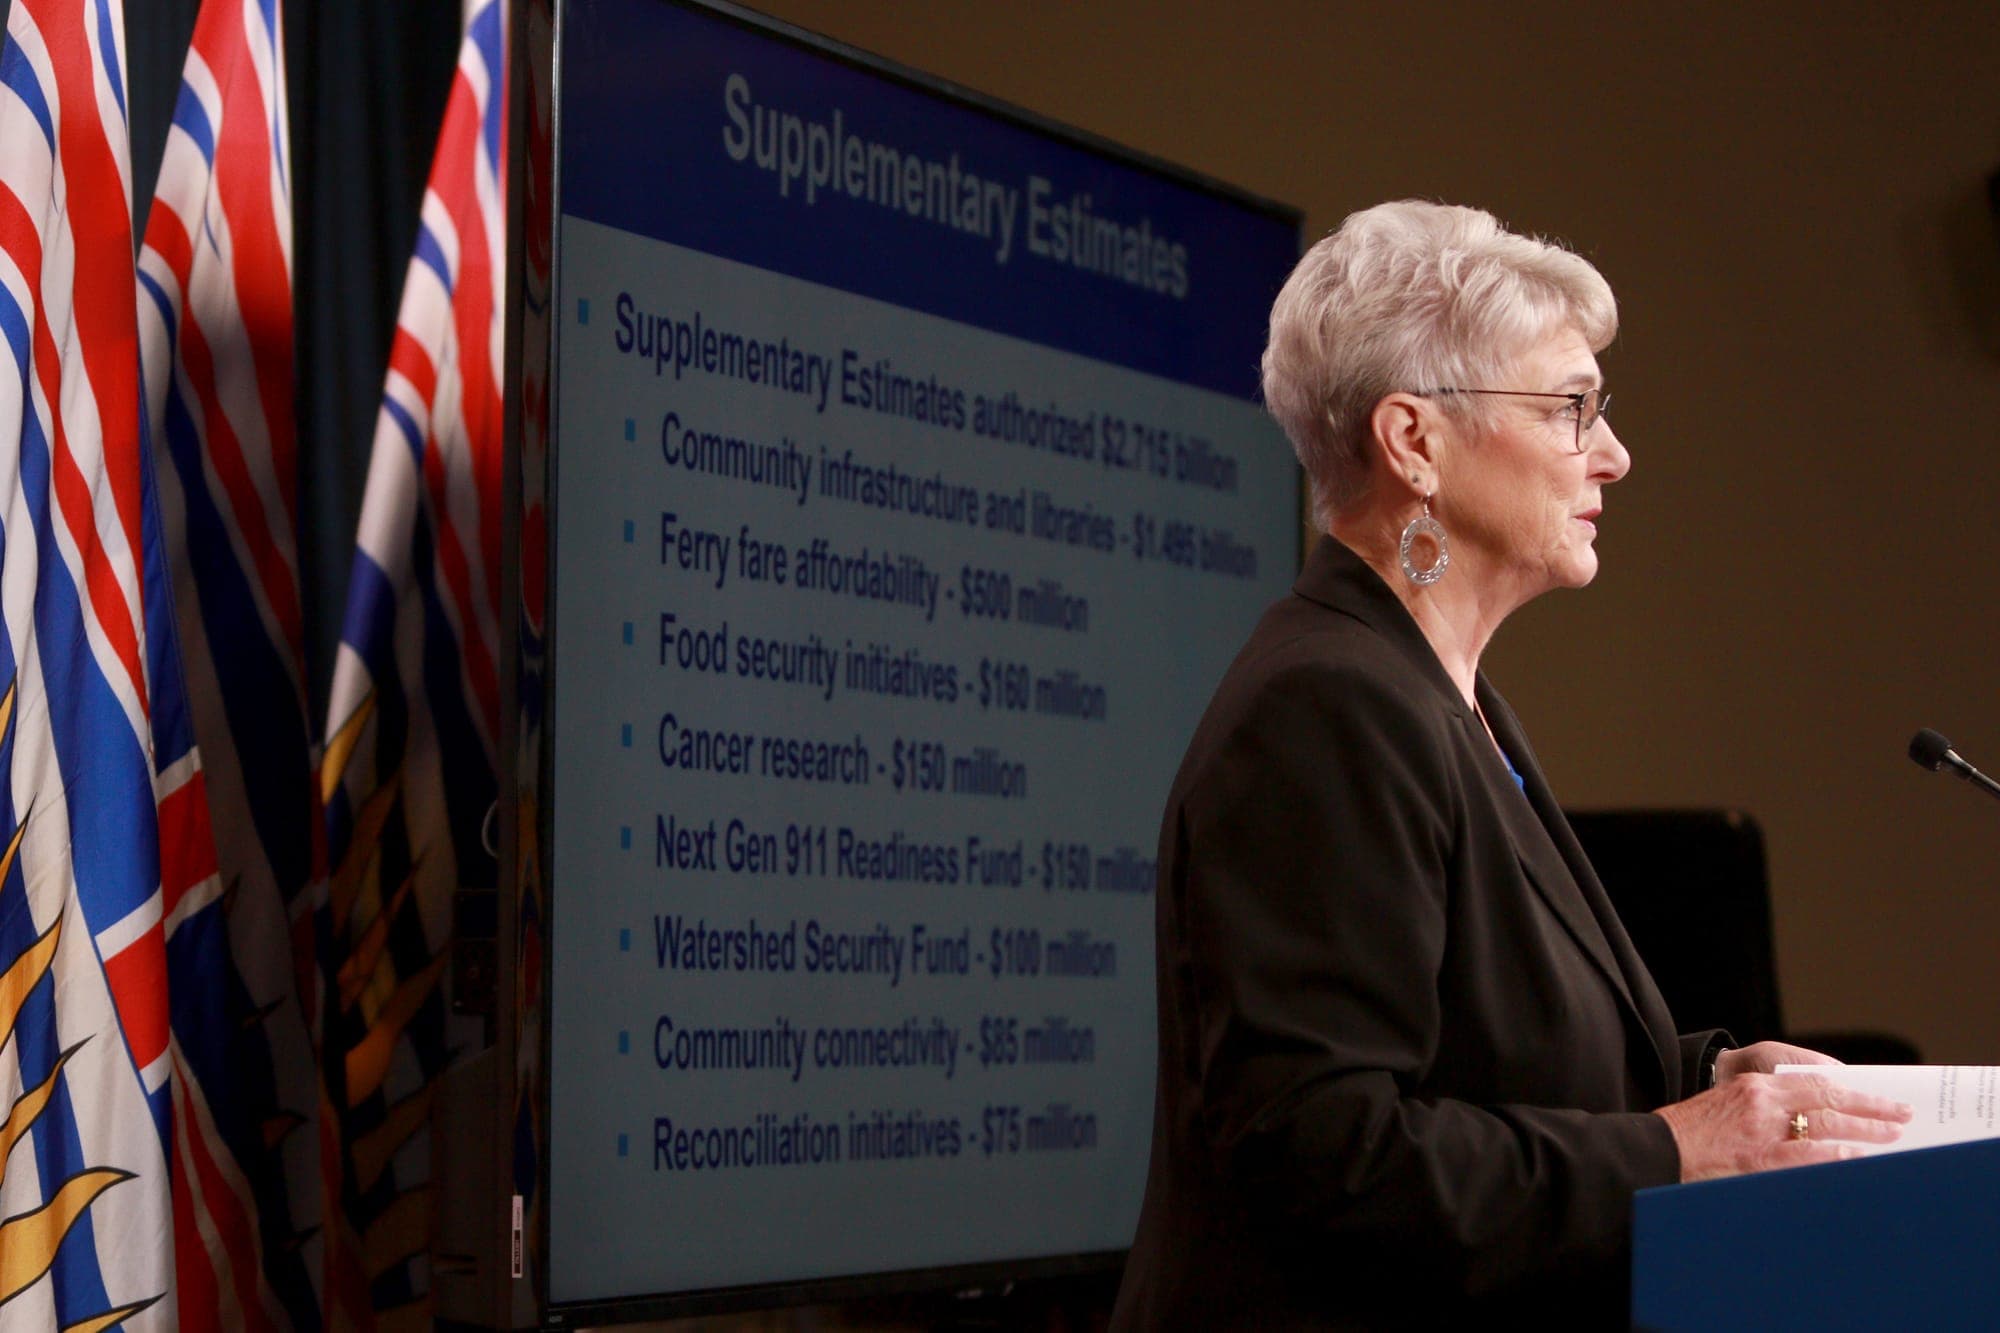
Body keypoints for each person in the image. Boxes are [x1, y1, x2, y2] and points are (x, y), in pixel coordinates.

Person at [1108, 200, 1911, 1330]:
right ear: (1412, 441)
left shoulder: (1446, 697)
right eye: (1568, 409)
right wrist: (1672, 1144)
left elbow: (1506, 1057)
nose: (1613, 454)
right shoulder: (1324, 706)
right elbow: (1322, 1150)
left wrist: (1722, 1082)